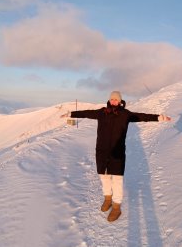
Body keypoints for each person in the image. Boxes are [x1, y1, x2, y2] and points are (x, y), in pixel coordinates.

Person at [63, 91, 171, 222]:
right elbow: (86, 113)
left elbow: (141, 116)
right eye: (112, 99)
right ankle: (108, 198)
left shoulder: (125, 114)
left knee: (117, 180)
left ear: (120, 101)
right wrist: (71, 114)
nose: (113, 101)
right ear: (109, 100)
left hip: (117, 152)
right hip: (102, 152)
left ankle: (116, 206)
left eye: (116, 100)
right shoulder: (102, 112)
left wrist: (159, 117)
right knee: (104, 177)